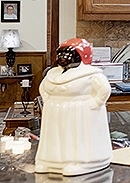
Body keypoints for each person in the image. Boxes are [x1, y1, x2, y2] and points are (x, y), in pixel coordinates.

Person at [35, 38, 112, 175]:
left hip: (78, 113)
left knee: (74, 138)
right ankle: (49, 162)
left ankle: (79, 162)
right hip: (54, 112)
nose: (62, 57)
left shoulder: (91, 75)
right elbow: (43, 88)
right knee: (53, 138)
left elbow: (104, 90)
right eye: (60, 54)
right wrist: (49, 101)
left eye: (67, 54)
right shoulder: (52, 74)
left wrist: (93, 104)